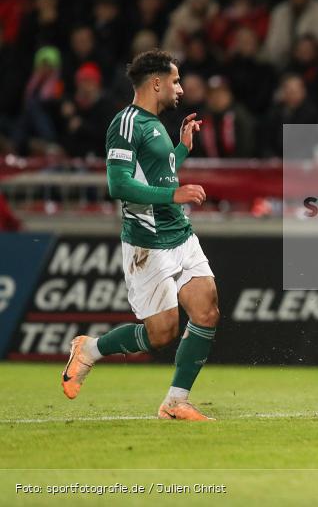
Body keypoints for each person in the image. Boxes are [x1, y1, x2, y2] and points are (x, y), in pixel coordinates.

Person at [62, 49, 220, 421]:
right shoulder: (126, 123)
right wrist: (174, 194)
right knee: (162, 334)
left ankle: (175, 402)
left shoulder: (157, 125)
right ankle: (91, 348)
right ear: (156, 83)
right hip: (147, 242)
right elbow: (119, 184)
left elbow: (159, 175)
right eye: (176, 81)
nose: (180, 88)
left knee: (207, 309)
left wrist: (181, 150)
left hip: (179, 233)